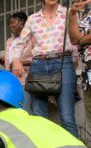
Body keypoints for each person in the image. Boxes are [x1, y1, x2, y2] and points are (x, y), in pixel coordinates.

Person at [12, 0, 79, 138]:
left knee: (67, 116)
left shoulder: (68, 12)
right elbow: (19, 43)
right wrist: (16, 60)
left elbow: (75, 39)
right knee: (39, 117)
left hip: (63, 63)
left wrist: (75, 61)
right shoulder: (32, 19)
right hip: (38, 65)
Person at [69, 0, 91, 141]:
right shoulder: (88, 15)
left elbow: (80, 40)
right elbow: (74, 39)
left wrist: (83, 40)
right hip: (88, 75)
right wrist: (72, 14)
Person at [4, 12, 34, 113]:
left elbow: (38, 58)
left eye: (12, 22)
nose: (10, 26)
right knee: (14, 112)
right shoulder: (10, 41)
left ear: (21, 22)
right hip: (11, 82)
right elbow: (8, 62)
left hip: (26, 81)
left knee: (26, 112)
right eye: (9, 23)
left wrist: (19, 62)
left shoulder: (32, 38)